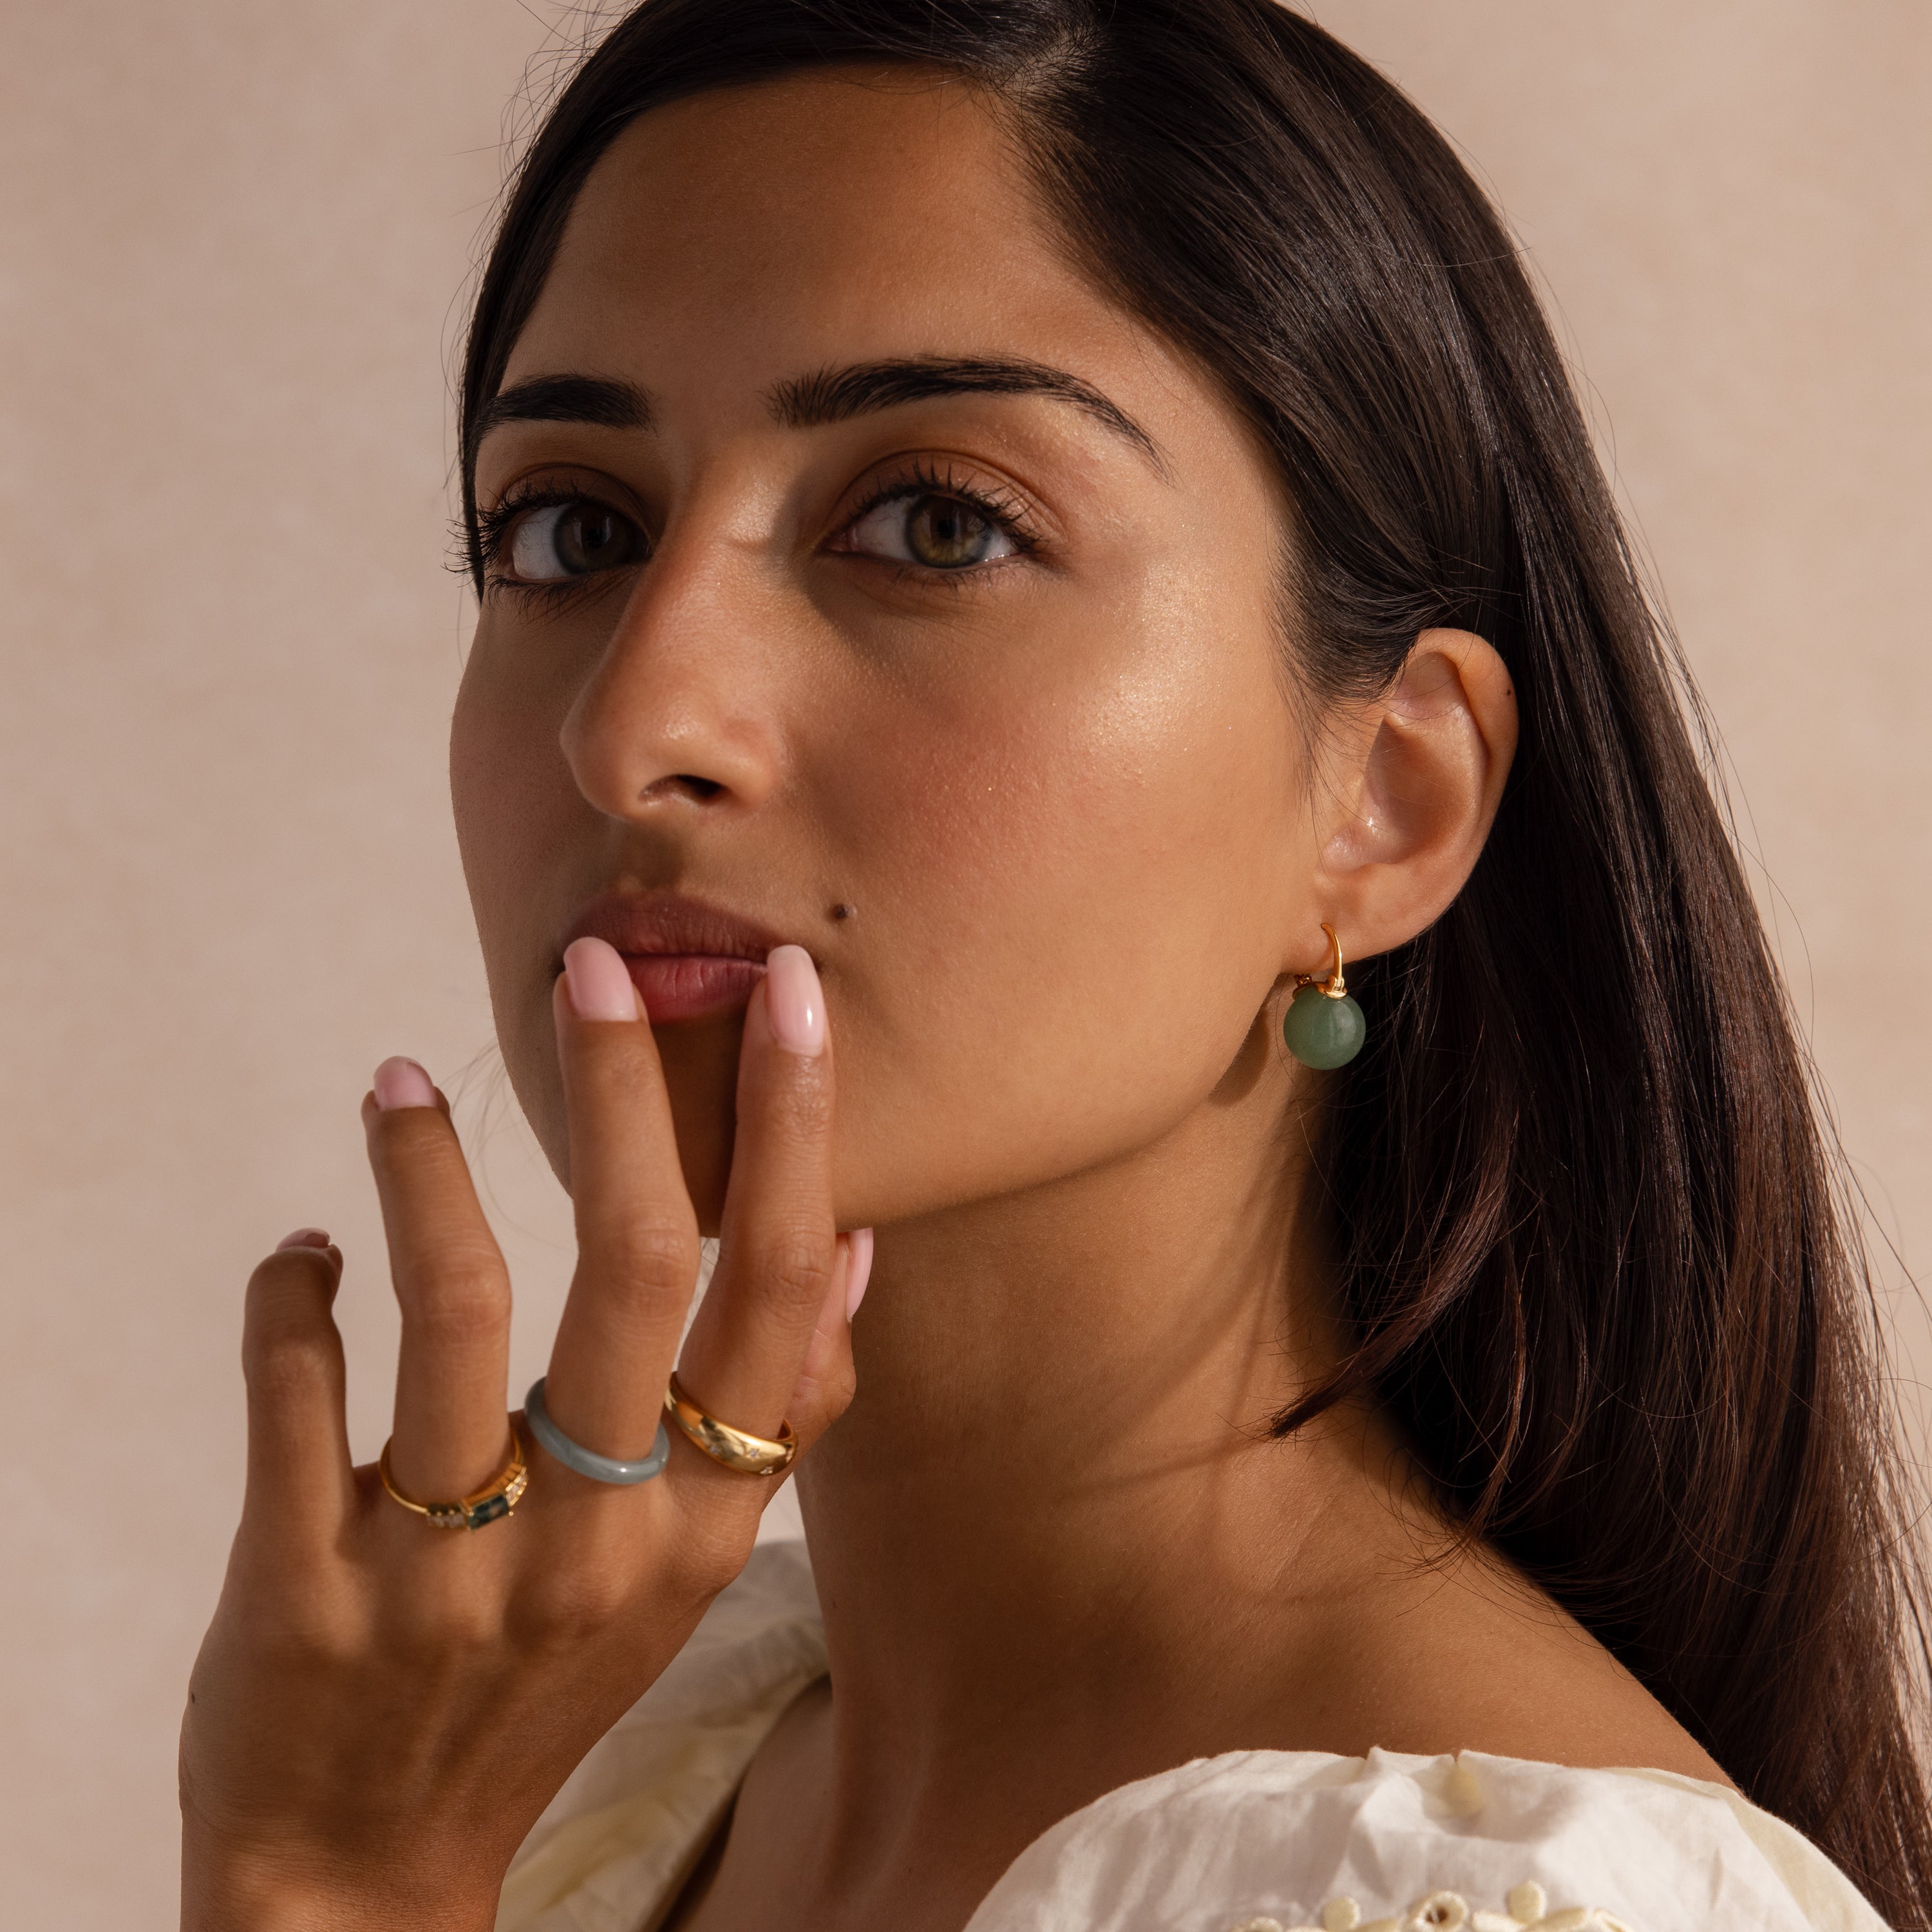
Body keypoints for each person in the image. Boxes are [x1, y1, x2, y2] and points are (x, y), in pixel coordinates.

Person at [176, 3, 1931, 1927]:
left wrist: (327, 1884)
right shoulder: (593, 1760)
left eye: (936, 523)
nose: (638, 724)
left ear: (1390, 799)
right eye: (569, 528)